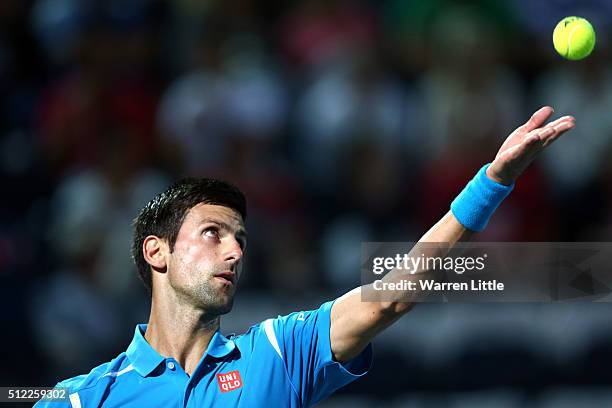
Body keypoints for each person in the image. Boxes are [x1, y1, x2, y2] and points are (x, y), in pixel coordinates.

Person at [35, 107, 575, 407]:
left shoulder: (277, 353)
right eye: (212, 233)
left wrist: (492, 182)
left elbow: (391, 298)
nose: (234, 250)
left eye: (240, 238)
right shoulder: (88, 396)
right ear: (157, 252)